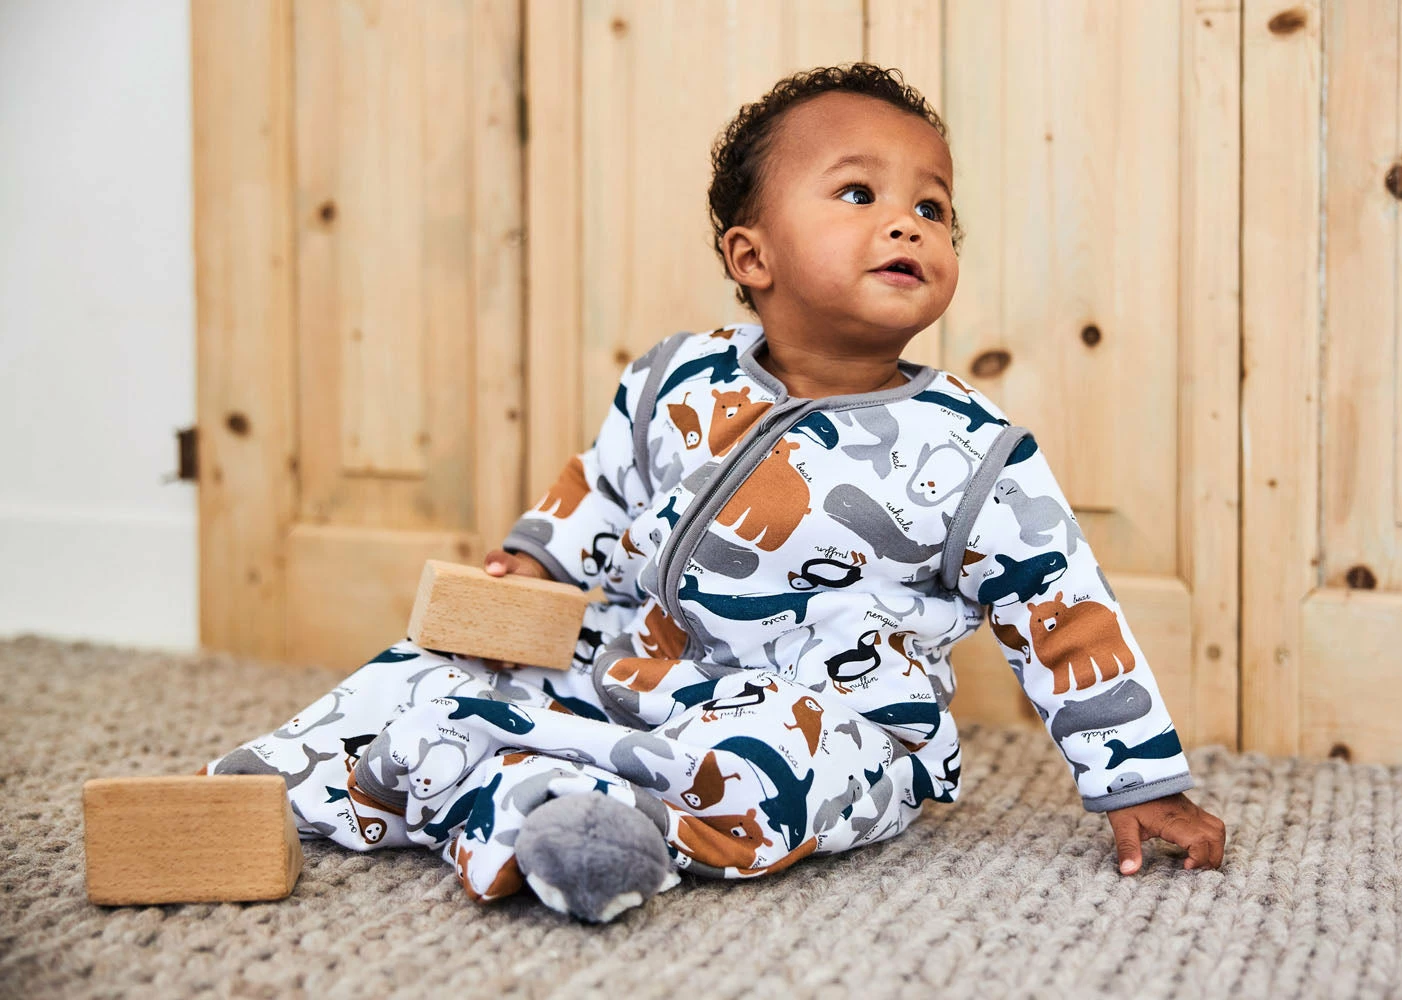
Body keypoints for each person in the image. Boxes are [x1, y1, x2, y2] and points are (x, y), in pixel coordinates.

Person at [205, 62, 1226, 922]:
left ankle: (576, 819)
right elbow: (602, 486)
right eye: (859, 194)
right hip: (632, 665)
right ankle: (285, 785)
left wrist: (1139, 779)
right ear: (753, 255)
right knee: (435, 664)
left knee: (779, 768)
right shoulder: (675, 378)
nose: (908, 225)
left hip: (829, 714)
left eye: (932, 207)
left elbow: (1067, 616)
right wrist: (535, 562)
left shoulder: (973, 453)